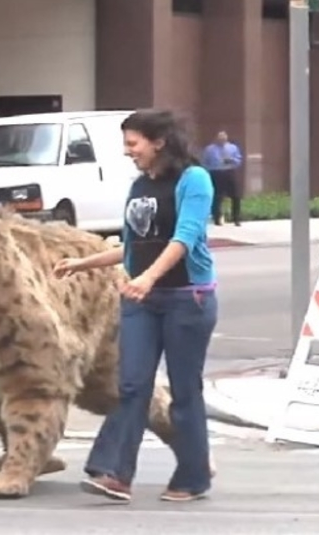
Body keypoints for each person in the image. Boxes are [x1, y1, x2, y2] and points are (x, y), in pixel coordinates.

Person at [53, 108, 217, 503]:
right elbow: (133, 243)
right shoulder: (140, 185)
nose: (128, 151)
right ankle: (114, 474)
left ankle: (193, 477)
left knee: (184, 392)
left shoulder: (193, 179)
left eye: (133, 143)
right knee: (131, 385)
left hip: (187, 299)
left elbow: (185, 237)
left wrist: (149, 277)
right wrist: (82, 263)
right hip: (141, 300)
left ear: (158, 142)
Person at [201, 130, 243, 226]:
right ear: (216, 138)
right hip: (216, 173)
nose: (222, 139)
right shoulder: (209, 149)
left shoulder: (233, 148)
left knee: (236, 196)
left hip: (230, 171)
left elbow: (239, 160)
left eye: (224, 137)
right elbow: (204, 162)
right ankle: (217, 218)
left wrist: (231, 160)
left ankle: (236, 218)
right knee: (217, 197)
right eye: (220, 137)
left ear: (226, 138)